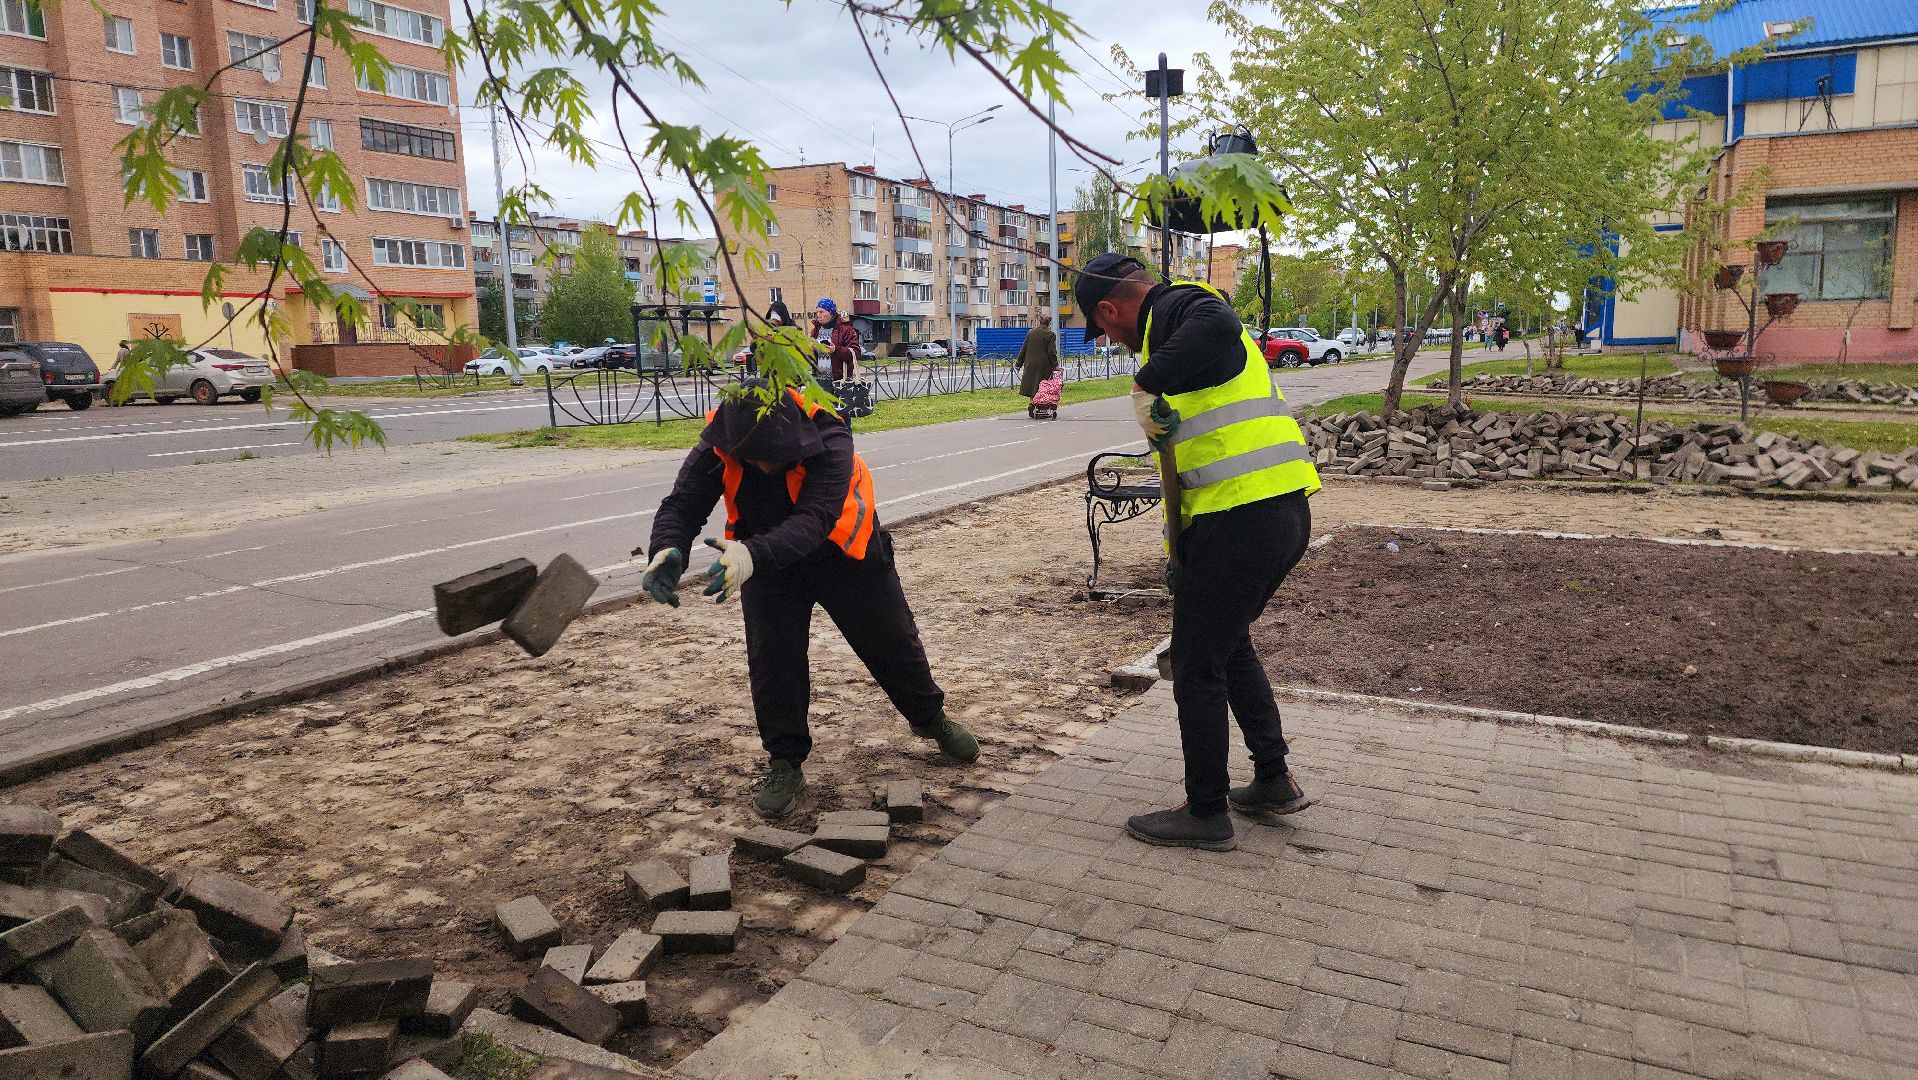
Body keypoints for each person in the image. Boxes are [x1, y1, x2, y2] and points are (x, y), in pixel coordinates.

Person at [1073, 253, 1322, 852]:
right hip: (1269, 512)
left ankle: (1206, 810)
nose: (1110, 339)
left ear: (1110, 308)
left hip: (1245, 518)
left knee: (1195, 662)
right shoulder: (1171, 328)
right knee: (1227, 646)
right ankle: (1271, 778)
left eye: (1103, 328)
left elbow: (1217, 322)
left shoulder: (1182, 306)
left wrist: (1145, 384)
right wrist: (1179, 546)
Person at [637, 384, 980, 819]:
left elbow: (815, 519)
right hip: (765, 562)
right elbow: (682, 504)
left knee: (893, 641)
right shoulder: (723, 438)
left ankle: (929, 717)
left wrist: (751, 555)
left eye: (770, 454)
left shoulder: (830, 438)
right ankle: (785, 762)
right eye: (752, 455)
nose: (761, 465)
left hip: (845, 552)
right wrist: (667, 548)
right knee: (772, 659)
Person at [1015, 314, 1059, 418]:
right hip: (1044, 366)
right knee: (1043, 387)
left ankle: (1032, 404)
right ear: (1049, 323)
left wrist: (1018, 364)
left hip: (1030, 364)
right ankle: (1041, 408)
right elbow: (1051, 352)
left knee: (1032, 386)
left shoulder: (1031, 333)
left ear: (1039, 321)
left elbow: (1024, 349)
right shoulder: (1051, 334)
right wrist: (1055, 365)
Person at [812, 299, 861, 383]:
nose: (818, 315)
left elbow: (856, 353)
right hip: (820, 380)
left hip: (839, 380)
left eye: (821, 312)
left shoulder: (846, 329)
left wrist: (835, 350)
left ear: (830, 313)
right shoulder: (816, 329)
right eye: (817, 312)